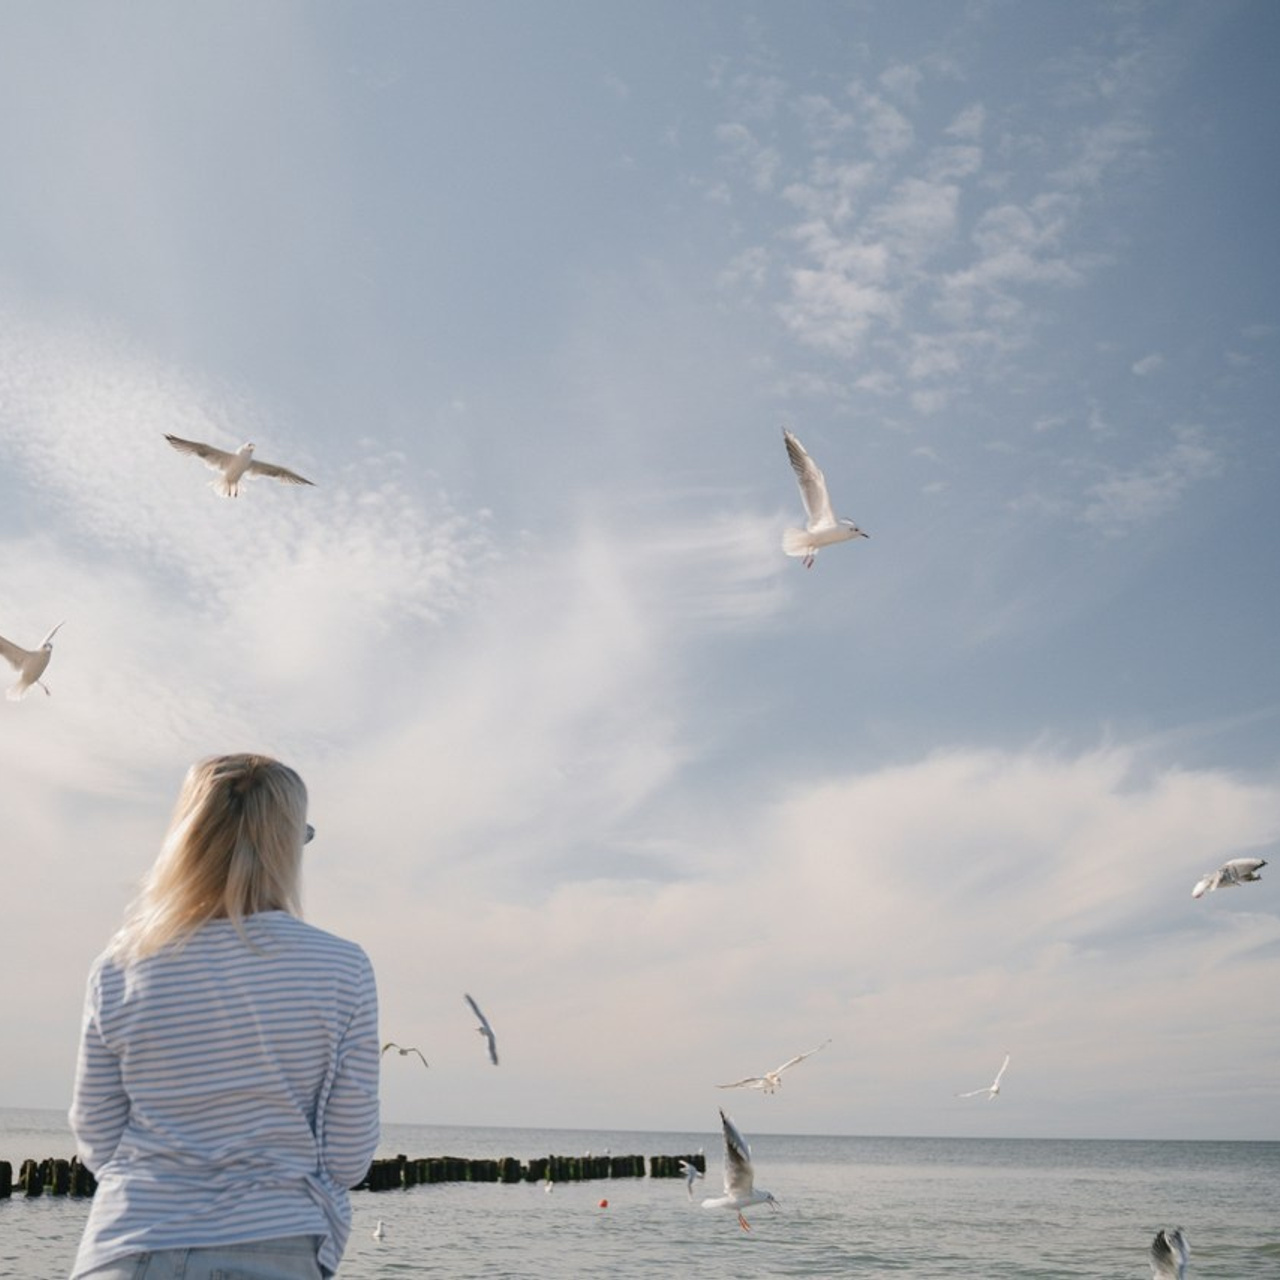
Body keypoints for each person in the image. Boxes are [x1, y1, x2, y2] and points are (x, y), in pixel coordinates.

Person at [68, 753, 380, 1280]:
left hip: (127, 1245)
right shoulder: (341, 968)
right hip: (274, 1244)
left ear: (187, 840)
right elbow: (348, 1159)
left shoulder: (121, 964)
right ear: (285, 846)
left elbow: (96, 1135)